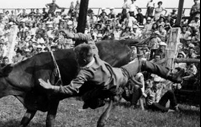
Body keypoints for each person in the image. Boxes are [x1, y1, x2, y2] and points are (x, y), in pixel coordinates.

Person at [38, 41, 183, 109]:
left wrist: (51, 87)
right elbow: (88, 39)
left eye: (77, 58)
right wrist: (74, 36)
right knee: (143, 63)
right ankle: (171, 75)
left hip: (116, 80)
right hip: (121, 75)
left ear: (83, 58)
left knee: (89, 97)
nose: (76, 60)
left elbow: (70, 89)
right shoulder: (94, 56)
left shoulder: (85, 72)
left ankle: (96, 101)